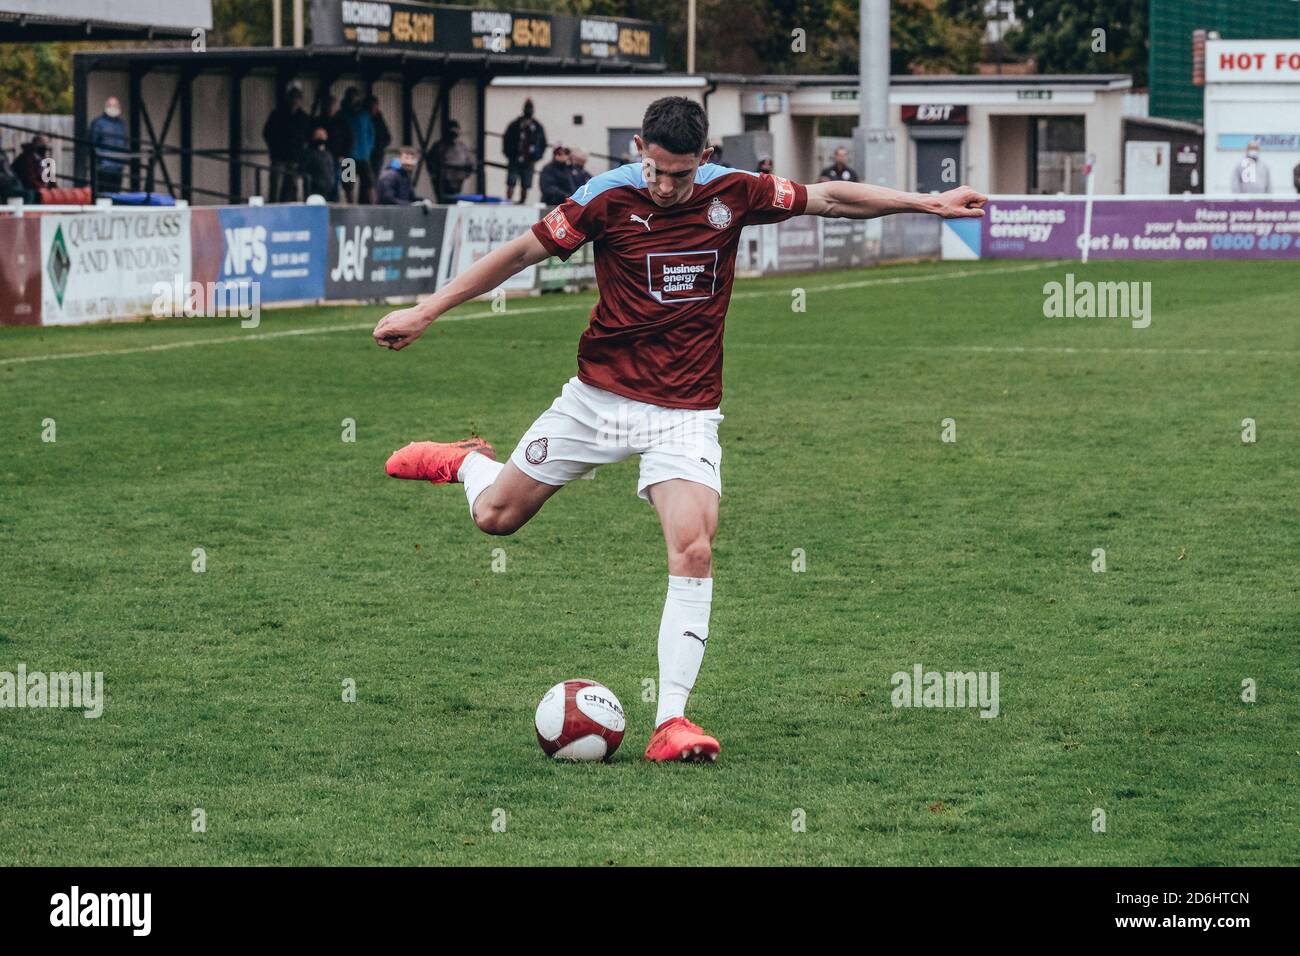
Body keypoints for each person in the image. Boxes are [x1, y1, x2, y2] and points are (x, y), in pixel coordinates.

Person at [371, 96, 986, 763]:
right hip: (597, 400)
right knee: (495, 518)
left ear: (706, 158)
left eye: (681, 175)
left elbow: (830, 197)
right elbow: (521, 253)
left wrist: (929, 204)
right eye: (656, 171)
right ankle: (465, 463)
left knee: (692, 548)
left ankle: (672, 722)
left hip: (685, 411)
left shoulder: (735, 193)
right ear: (639, 148)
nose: (666, 187)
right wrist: (428, 311)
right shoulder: (603, 199)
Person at [263, 86, 311, 202]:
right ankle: (273, 207)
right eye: (292, 98)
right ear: (288, 99)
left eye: (297, 98)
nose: (295, 101)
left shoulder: (303, 117)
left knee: (291, 185)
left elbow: (308, 136)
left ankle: (289, 207)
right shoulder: (277, 114)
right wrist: (274, 147)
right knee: (275, 184)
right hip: (279, 156)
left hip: (294, 157)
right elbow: (267, 132)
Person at [502, 98, 546, 202]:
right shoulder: (515, 125)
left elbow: (542, 143)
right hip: (515, 158)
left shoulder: (537, 126)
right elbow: (507, 140)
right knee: (511, 182)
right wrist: (509, 154)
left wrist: (537, 156)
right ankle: (509, 201)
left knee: (526, 184)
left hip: (529, 159)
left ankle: (522, 202)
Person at [89, 96, 129, 195]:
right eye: (110, 105)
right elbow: (93, 143)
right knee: (103, 194)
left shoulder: (121, 124)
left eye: (115, 105)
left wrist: (123, 160)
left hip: (118, 166)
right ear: (106, 106)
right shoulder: (98, 123)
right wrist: (99, 160)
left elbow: (124, 143)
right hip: (104, 166)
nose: (113, 107)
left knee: (115, 194)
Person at [427, 120, 476, 202]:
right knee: (444, 202)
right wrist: (435, 175)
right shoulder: (439, 146)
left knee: (454, 201)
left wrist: (464, 174)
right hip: (443, 182)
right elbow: (431, 163)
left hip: (457, 181)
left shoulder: (462, 147)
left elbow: (470, 163)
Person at [345, 88, 375, 204]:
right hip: (348, 155)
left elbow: (371, 133)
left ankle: (372, 207)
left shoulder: (364, 115)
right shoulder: (343, 114)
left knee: (369, 182)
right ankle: (350, 206)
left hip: (363, 155)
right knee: (348, 184)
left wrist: (368, 149)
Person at [301, 127, 338, 202]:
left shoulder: (328, 154)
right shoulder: (309, 154)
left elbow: (331, 171)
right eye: (318, 136)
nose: (321, 138)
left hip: (329, 190)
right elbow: (303, 171)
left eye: (322, 135)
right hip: (315, 191)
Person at [369, 97, 392, 178]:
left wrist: (378, 146)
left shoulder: (379, 120)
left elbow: (388, 138)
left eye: (375, 107)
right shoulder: (364, 118)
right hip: (366, 156)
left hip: (375, 155)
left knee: (373, 179)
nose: (373, 109)